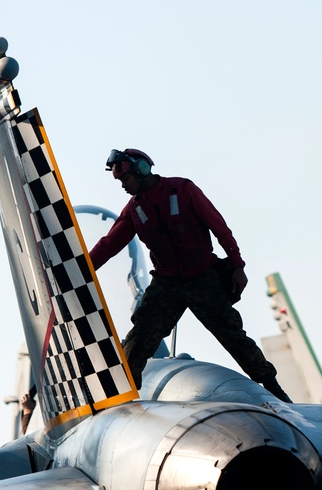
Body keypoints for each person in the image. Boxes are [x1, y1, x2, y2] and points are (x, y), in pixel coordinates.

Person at [89, 148, 291, 402]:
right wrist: (83, 270)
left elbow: (219, 226)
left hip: (203, 278)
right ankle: (122, 399)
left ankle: (275, 390)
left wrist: (237, 265)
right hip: (166, 285)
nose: (123, 186)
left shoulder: (182, 190)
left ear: (142, 170)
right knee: (139, 339)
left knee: (234, 338)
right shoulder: (134, 210)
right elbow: (109, 244)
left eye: (125, 180)